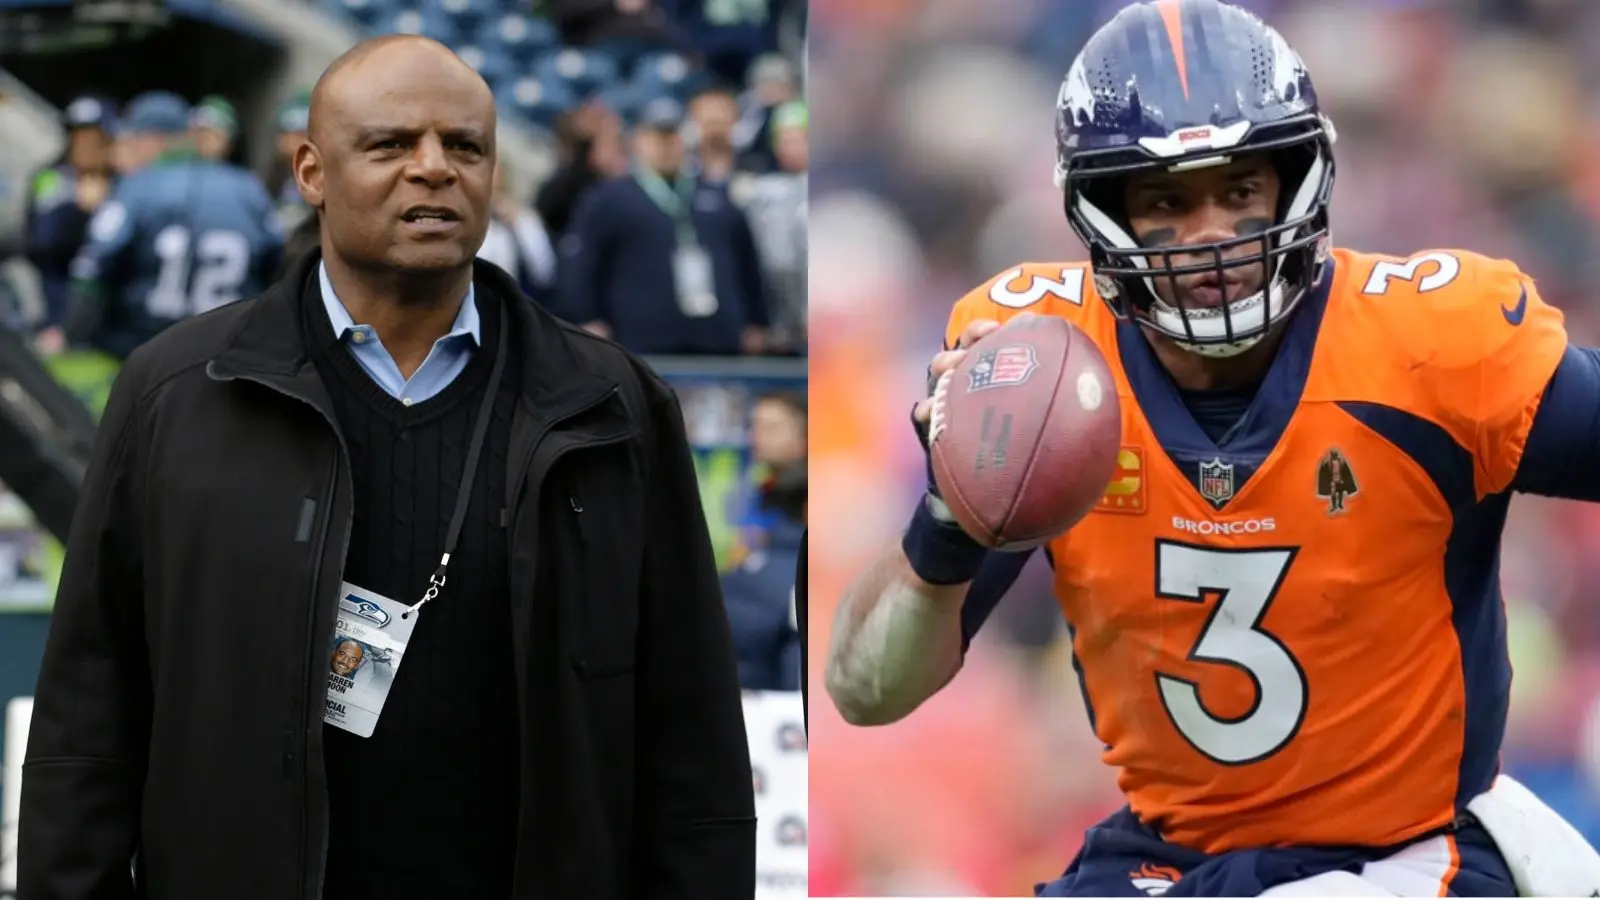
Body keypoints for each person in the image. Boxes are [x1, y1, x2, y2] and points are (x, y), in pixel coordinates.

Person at [823, 1, 1600, 897]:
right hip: (1172, 857)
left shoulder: (1435, 343)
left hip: (1409, 854)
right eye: (1165, 200)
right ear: (1100, 210)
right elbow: (865, 692)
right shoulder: (1038, 363)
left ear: (1298, 180)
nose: (1211, 237)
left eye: (1239, 191)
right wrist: (950, 517)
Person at [20, 35, 755, 900]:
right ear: (310, 171)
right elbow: (89, 713)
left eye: (465, 146)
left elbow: (691, 732)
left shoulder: (613, 406)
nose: (435, 168)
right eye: (391, 145)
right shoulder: (174, 393)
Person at [65, 91, 284, 360]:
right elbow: (278, 266)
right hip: (220, 357)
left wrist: (72, 339)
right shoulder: (251, 190)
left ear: (154, 140)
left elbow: (92, 271)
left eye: (132, 141)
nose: (121, 151)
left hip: (138, 348)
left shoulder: (138, 187)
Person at [557, 96, 769, 355]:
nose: (666, 145)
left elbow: (747, 263)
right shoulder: (608, 199)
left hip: (717, 341)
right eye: (656, 136)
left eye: (672, 136)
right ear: (638, 140)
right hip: (639, 343)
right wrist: (585, 318)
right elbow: (583, 263)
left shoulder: (716, 197)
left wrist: (757, 321)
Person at [24, 94, 117, 357]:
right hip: (59, 314)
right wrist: (79, 212)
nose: (83, 144)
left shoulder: (123, 180)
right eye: (77, 135)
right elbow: (40, 243)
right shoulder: (52, 178)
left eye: (93, 136)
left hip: (111, 319)